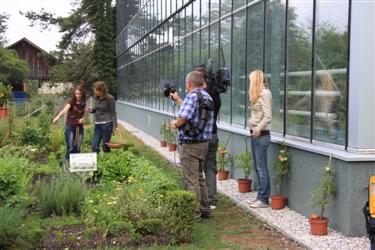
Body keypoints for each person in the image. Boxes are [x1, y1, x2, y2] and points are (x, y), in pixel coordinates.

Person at [170, 71, 214, 220]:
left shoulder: (192, 96)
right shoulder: (207, 96)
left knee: (190, 179)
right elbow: (195, 113)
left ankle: (193, 214)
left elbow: (183, 117)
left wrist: (175, 123)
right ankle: (205, 208)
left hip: (190, 144)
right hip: (203, 143)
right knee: (199, 177)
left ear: (189, 83)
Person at [192, 66, 221, 210]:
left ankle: (199, 201)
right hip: (213, 133)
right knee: (210, 167)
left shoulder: (199, 95)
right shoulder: (215, 94)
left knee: (196, 168)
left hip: (201, 136)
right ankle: (212, 200)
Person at [247, 69, 272, 208]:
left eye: (251, 80)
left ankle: (263, 199)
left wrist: (257, 129)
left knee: (262, 168)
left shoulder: (265, 93)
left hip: (261, 136)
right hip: (255, 135)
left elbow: (268, 116)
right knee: (257, 167)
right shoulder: (257, 94)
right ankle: (260, 196)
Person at [52, 85, 86, 160]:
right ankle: (67, 163)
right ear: (74, 94)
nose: (78, 95)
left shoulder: (83, 103)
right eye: (76, 93)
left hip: (79, 128)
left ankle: (75, 165)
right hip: (70, 127)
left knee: (78, 147)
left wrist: (83, 119)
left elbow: (84, 114)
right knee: (70, 147)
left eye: (79, 93)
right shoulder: (72, 102)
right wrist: (57, 117)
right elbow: (64, 110)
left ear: (82, 94)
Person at [87, 81, 119, 153]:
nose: (95, 92)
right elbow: (98, 109)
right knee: (94, 146)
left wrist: (115, 126)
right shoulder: (97, 98)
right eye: (94, 91)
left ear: (102, 90)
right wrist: (92, 110)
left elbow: (113, 113)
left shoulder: (110, 98)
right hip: (98, 124)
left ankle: (107, 161)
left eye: (97, 91)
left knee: (105, 147)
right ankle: (97, 160)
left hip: (107, 124)